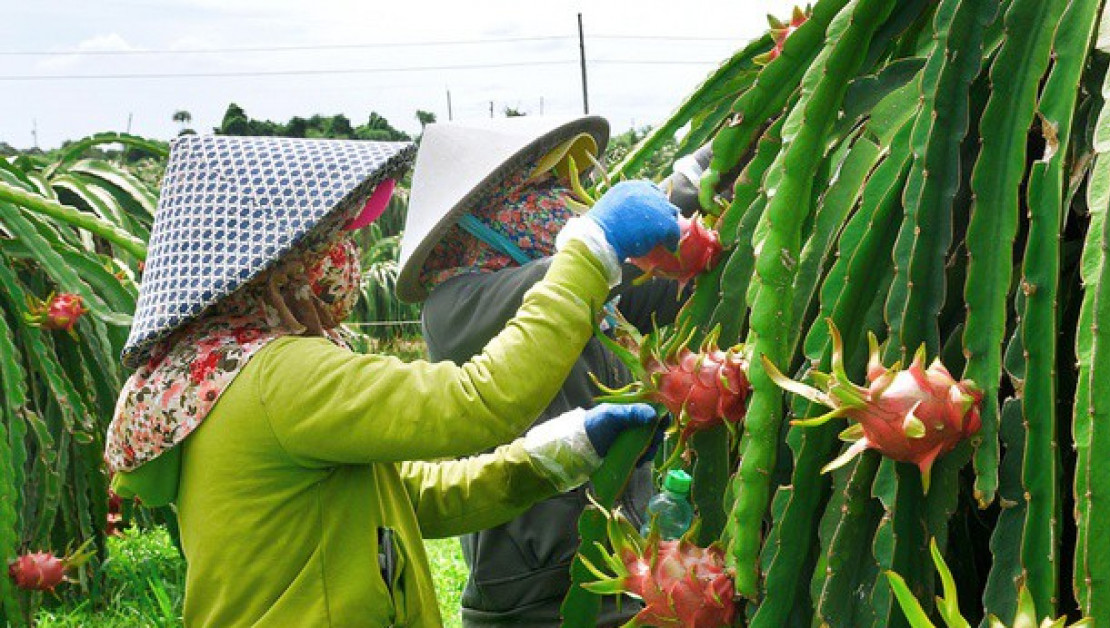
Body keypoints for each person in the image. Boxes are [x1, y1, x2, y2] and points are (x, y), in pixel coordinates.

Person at [103, 133, 681, 627]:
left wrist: (556, 455)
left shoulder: (215, 381)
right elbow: (475, 403)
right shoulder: (279, 377)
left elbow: (412, 499)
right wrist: (590, 249)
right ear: (278, 265)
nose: (343, 257)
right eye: (327, 240)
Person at [396, 116, 712, 627]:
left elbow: (652, 280)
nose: (559, 201)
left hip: (624, 559)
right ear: (482, 215)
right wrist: (680, 188)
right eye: (538, 189)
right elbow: (575, 268)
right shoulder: (456, 303)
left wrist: (716, 179)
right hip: (534, 592)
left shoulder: (587, 282)